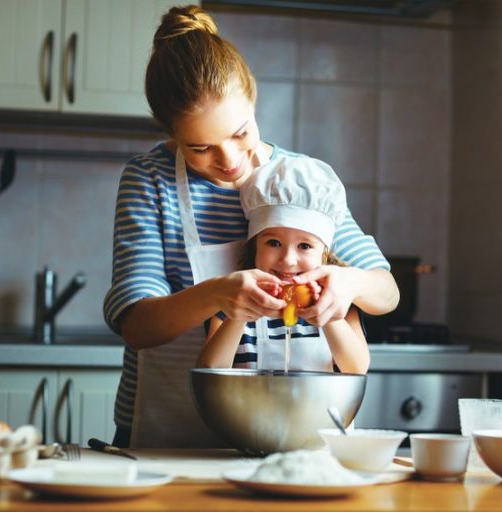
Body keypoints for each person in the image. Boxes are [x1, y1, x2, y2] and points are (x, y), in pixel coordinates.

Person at [103, 4, 398, 448]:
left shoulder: (300, 181)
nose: (229, 161)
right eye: (201, 148)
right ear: (172, 134)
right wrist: (219, 295)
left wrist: (348, 282)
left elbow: (386, 293)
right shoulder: (150, 180)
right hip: (170, 434)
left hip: (290, 435)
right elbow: (137, 327)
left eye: (241, 133)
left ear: (254, 99)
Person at [196, 154, 370, 374]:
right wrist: (238, 317)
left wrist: (327, 316)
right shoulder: (234, 300)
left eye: (305, 246)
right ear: (254, 246)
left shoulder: (340, 303)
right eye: (274, 242)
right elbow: (211, 370)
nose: (288, 259)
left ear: (324, 255)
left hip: (321, 409)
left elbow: (356, 368)